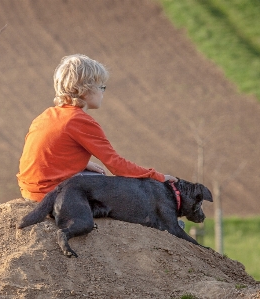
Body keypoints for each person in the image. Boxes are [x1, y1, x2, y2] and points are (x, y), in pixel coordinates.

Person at [17, 54, 177, 202]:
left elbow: (45, 152)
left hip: (29, 190)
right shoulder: (80, 120)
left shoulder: (47, 115)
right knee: (116, 187)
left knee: (95, 174)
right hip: (49, 194)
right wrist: (158, 177)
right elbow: (116, 165)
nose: (103, 93)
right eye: (101, 87)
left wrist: (82, 164)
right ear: (85, 90)